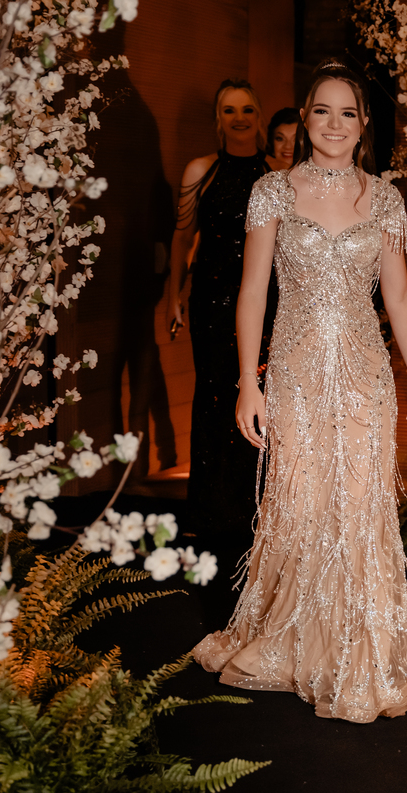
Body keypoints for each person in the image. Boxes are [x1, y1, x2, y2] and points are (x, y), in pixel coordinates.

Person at [193, 60, 407, 723]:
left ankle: (355, 655)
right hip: (296, 373)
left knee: (360, 507)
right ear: (305, 118)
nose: (333, 124)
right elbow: (253, 293)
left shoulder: (385, 199)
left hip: (365, 375)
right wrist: (247, 383)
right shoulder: (273, 193)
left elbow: (398, 295)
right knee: (303, 502)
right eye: (321, 111)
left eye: (347, 113)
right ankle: (295, 642)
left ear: (363, 125)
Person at [170, 79, 280, 538]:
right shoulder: (201, 170)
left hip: (267, 301)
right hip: (211, 301)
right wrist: (173, 294)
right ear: (219, 118)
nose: (239, 118)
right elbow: (182, 237)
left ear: (259, 116)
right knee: (213, 395)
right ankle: (209, 511)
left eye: (247, 109)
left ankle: (256, 508)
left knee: (260, 393)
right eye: (229, 110)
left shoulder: (277, 173)